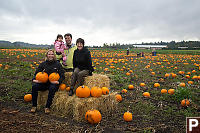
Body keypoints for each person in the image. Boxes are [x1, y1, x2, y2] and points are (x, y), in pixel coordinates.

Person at [31, 49, 65, 114]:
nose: (50, 56)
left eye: (52, 54)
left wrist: (58, 81)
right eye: (49, 54)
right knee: (34, 87)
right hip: (43, 83)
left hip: (52, 84)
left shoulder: (57, 64)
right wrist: (34, 79)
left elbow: (62, 75)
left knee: (52, 88)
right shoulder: (43, 64)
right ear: (47, 55)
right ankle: (34, 106)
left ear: (54, 55)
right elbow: (36, 74)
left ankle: (47, 107)